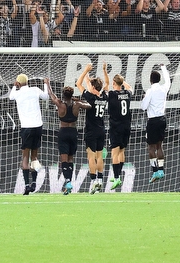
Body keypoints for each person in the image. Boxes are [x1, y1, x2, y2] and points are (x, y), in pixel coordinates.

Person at [9, 73, 48, 195]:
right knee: (34, 157)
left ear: (18, 83)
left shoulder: (17, 93)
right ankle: (34, 183)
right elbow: (46, 96)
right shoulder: (35, 90)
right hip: (38, 126)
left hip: (26, 127)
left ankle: (26, 185)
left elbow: (10, 97)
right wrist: (46, 85)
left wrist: (15, 87)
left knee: (25, 156)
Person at [77, 64, 106, 194]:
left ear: (93, 88)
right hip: (101, 130)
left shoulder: (91, 98)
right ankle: (100, 181)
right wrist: (89, 78)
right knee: (99, 156)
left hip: (91, 131)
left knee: (91, 156)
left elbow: (78, 84)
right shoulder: (103, 97)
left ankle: (93, 181)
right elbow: (101, 86)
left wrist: (85, 71)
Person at [102, 64, 133, 191]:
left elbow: (106, 84)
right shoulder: (127, 93)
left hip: (116, 127)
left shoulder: (112, 94)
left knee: (114, 152)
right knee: (122, 151)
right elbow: (129, 87)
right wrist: (121, 81)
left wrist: (105, 71)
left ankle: (116, 177)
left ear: (115, 83)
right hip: (126, 126)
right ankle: (118, 175)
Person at [140, 64, 172, 183]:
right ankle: (161, 170)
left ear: (150, 80)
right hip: (162, 119)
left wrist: (144, 99)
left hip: (153, 120)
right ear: (159, 79)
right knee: (160, 146)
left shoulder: (150, 91)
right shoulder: (164, 88)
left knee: (151, 147)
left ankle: (155, 171)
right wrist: (164, 68)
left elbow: (143, 107)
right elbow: (168, 81)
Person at [46, 80, 79, 194]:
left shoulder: (60, 104)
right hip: (73, 132)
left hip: (63, 132)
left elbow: (51, 95)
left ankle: (68, 182)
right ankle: (69, 183)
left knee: (64, 159)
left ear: (64, 95)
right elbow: (88, 105)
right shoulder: (77, 105)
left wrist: (48, 84)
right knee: (70, 159)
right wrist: (76, 100)